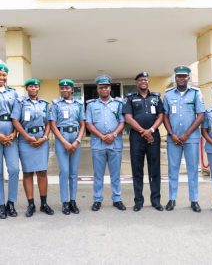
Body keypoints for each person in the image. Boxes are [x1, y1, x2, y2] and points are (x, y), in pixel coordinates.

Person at [163, 66, 205, 213]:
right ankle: (172, 199)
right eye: (178, 76)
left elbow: (200, 115)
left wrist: (187, 134)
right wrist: (171, 133)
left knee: (192, 170)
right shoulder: (168, 94)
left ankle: (194, 200)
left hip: (191, 138)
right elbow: (165, 116)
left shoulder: (195, 93)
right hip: (173, 139)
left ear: (188, 78)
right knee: (172, 170)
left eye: (184, 76)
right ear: (175, 78)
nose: (181, 78)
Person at [11, 78, 54, 217]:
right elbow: (15, 120)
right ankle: (31, 204)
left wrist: (45, 137)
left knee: (42, 172)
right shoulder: (20, 102)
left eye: (36, 86)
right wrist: (26, 136)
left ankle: (44, 204)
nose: (33, 88)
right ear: (26, 88)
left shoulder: (44, 104)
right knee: (28, 172)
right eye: (31, 86)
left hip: (42, 139)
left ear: (39, 88)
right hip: (25, 140)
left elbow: (48, 123)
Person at [123, 72, 164, 212]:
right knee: (137, 170)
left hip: (154, 137)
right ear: (136, 83)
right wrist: (144, 132)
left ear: (148, 82)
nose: (143, 82)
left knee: (155, 170)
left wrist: (151, 130)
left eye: (145, 79)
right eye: (140, 80)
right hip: (136, 138)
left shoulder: (156, 98)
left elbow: (161, 116)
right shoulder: (130, 98)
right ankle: (138, 201)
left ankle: (156, 200)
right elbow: (128, 118)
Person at [86, 75, 126, 212]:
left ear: (110, 88)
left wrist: (113, 135)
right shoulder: (91, 105)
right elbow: (89, 124)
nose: (104, 89)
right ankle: (97, 200)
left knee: (115, 174)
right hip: (98, 143)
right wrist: (102, 136)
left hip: (115, 143)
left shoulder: (118, 104)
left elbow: (122, 122)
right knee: (98, 174)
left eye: (106, 87)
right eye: (101, 87)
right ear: (98, 89)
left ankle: (117, 199)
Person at [49, 79, 85, 215]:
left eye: (67, 88)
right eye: (62, 88)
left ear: (72, 90)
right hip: (61, 137)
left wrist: (78, 141)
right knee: (64, 171)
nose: (64, 90)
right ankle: (64, 201)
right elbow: (52, 124)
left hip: (75, 136)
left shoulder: (79, 104)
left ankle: (73, 201)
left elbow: (83, 124)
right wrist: (64, 141)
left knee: (74, 172)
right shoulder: (55, 104)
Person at [0, 62, 19, 219]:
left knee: (14, 169)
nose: (2, 77)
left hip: (11, 134)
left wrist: (14, 133)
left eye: (4, 74)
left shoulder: (13, 93)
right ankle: (0, 204)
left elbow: (16, 115)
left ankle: (11, 203)